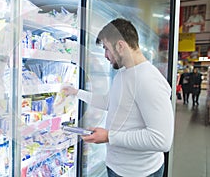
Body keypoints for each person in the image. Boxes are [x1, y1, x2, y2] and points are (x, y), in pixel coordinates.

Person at [62, 18, 174, 177]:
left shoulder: (148, 80)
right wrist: (77, 92)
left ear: (121, 46)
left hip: (139, 173)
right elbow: (110, 102)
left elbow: (161, 140)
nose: (105, 55)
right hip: (117, 167)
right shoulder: (124, 73)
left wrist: (109, 136)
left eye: (106, 48)